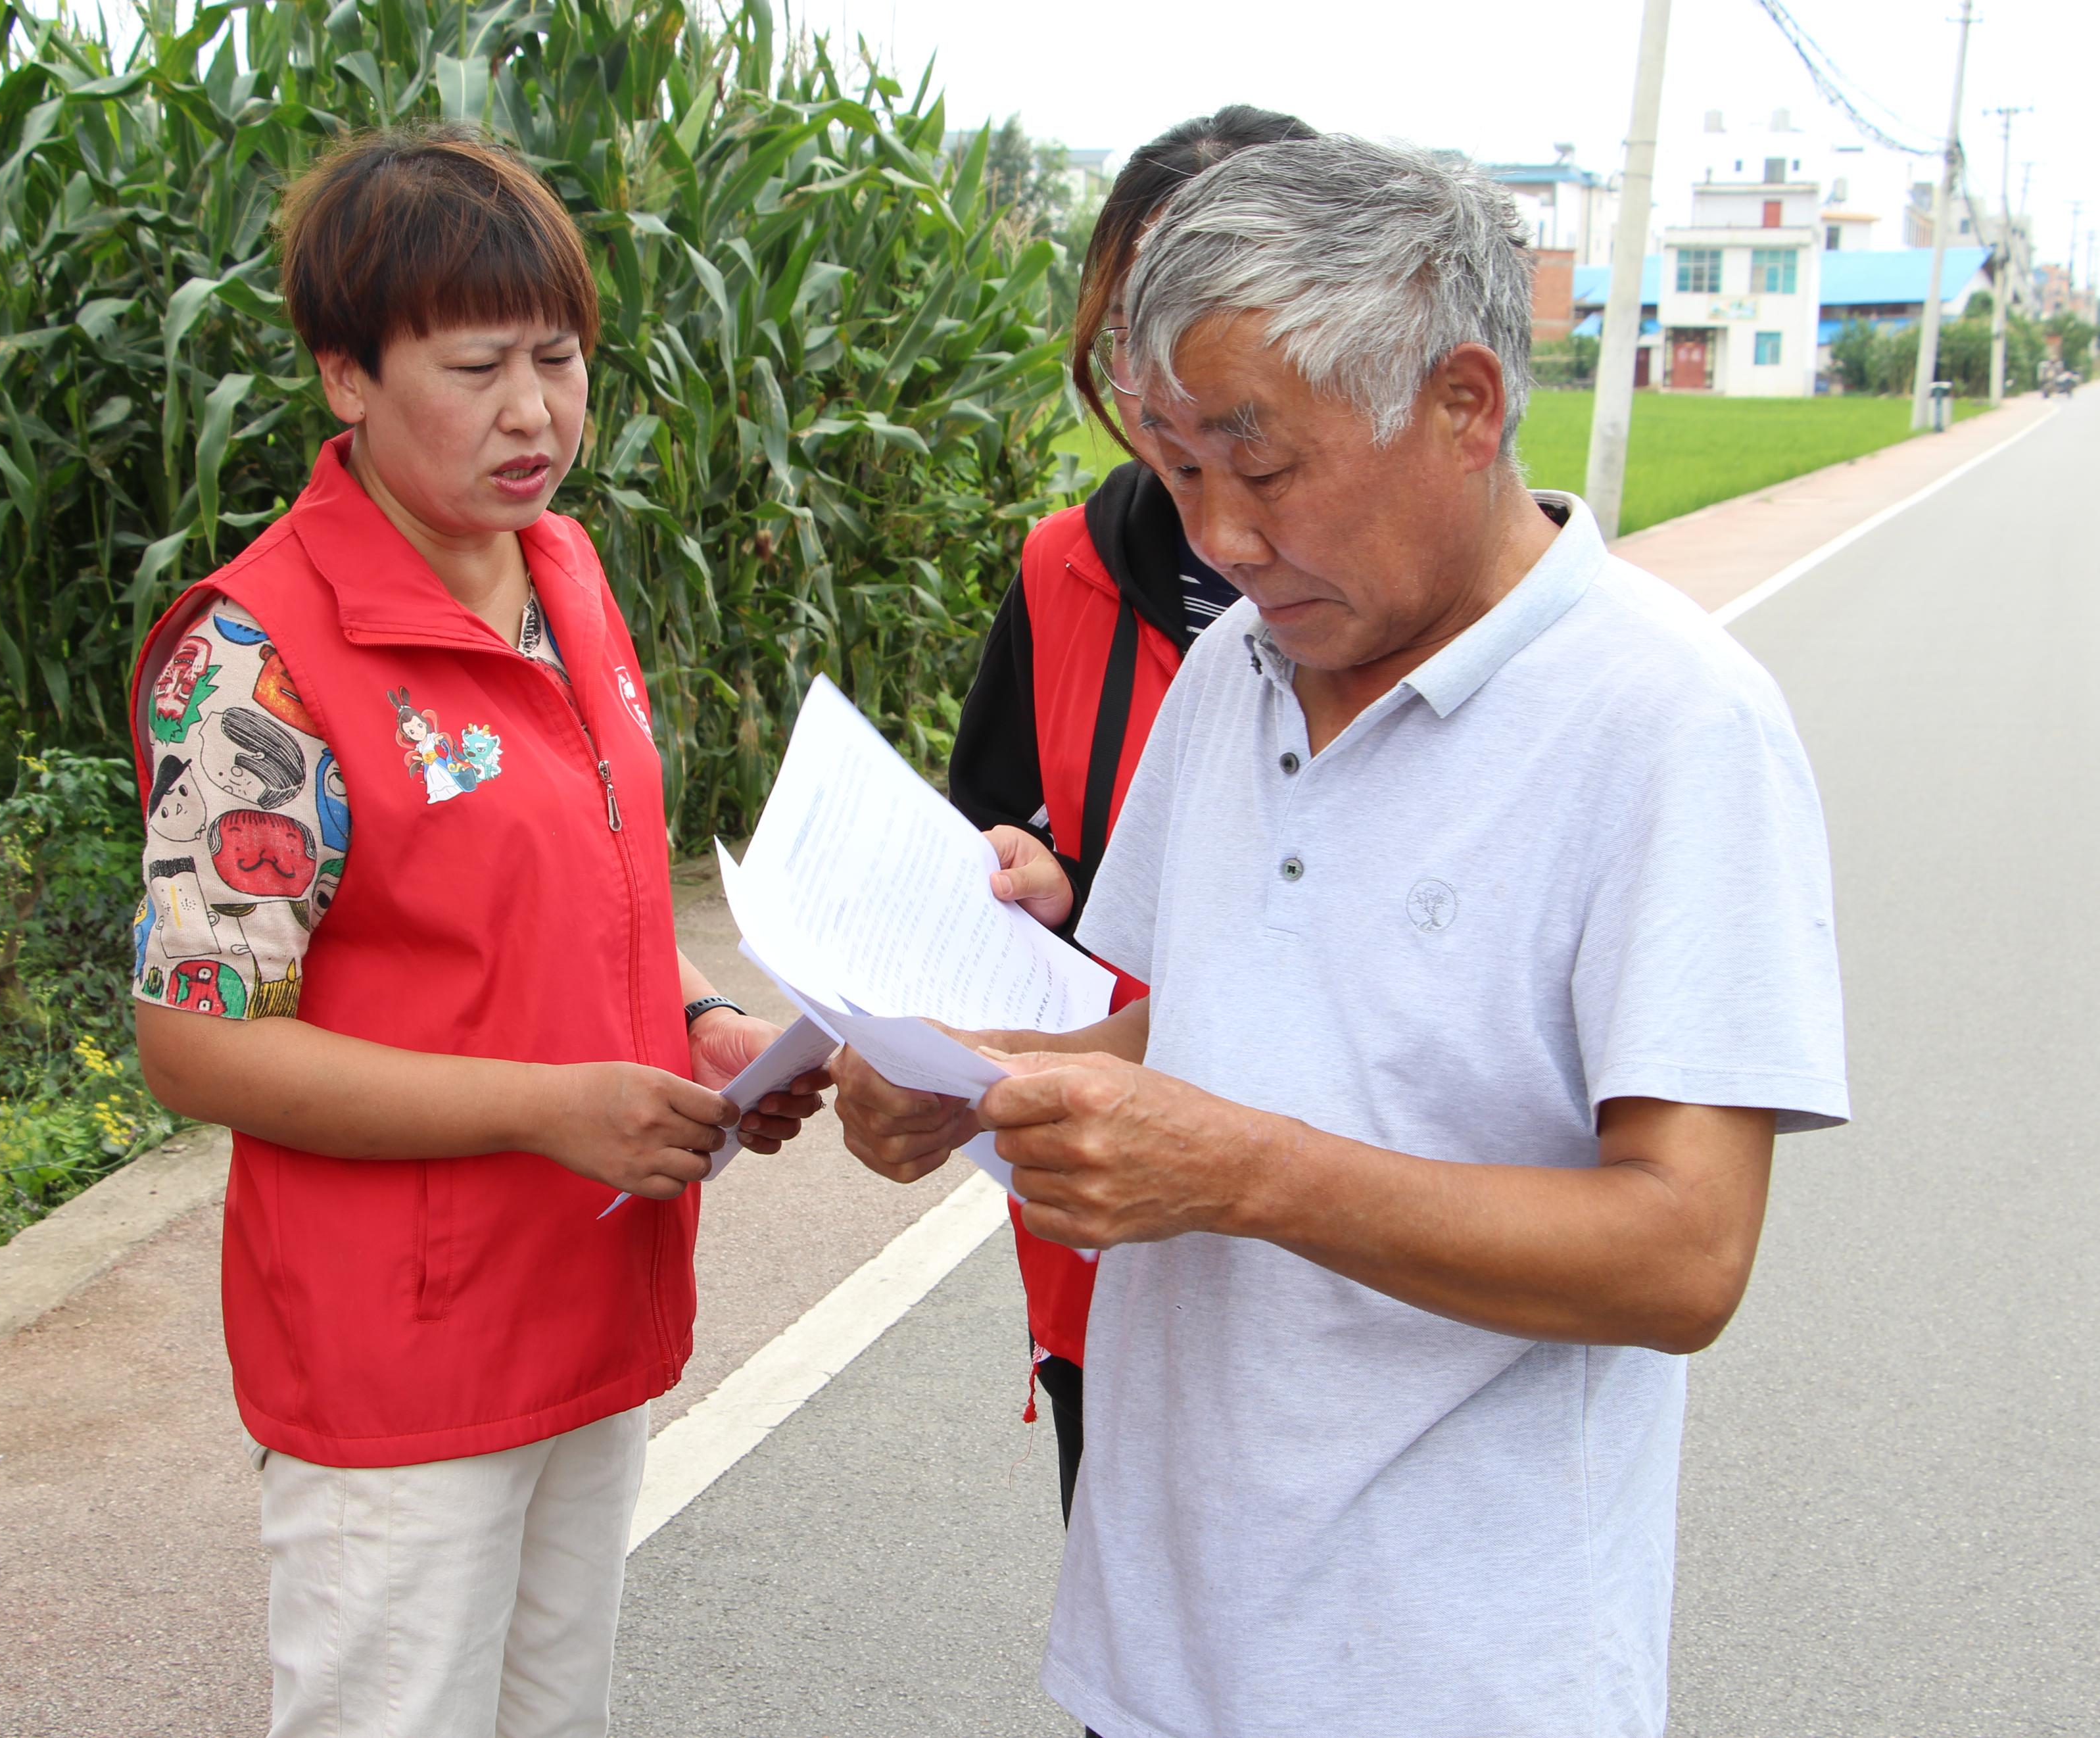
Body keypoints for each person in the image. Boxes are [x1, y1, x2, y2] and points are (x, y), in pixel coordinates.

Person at [834, 136, 1848, 1738]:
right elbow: (1194, 1024)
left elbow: (1685, 1249)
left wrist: (1249, 1172)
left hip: (1451, 1673)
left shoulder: (1670, 724)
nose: (1223, 535)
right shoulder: (1241, 668)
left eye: (1266, 464)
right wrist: (974, 1079)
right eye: (1176, 469)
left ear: (1463, 403)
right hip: (1160, 1641)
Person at [126, 125, 826, 1738]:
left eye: (562, 359)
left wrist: (701, 1023)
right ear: (346, 378)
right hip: (404, 1351)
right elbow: (199, 1037)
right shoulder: (260, 659)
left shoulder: (561, 573)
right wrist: (546, 1105)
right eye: (477, 365)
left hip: (586, 1299)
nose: (535, 413)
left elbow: (581, 901)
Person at [951, 103, 1316, 1521]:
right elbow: (991, 820)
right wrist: (1027, 873)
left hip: (1347, 1262)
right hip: (1112, 1209)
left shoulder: (1382, 614)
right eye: (1135, 312)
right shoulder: (1066, 569)